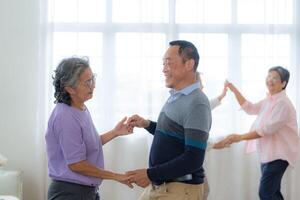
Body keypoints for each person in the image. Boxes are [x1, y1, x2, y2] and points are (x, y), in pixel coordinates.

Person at [127, 40, 212, 200]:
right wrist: (147, 124)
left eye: (168, 63)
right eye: (163, 64)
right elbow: (176, 133)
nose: (163, 69)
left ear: (189, 64)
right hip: (162, 186)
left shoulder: (197, 103)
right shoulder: (177, 97)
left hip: (180, 189)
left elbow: (193, 158)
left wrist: (150, 174)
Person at [45, 57, 133, 200]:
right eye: (87, 82)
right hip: (69, 193)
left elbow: (86, 146)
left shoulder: (80, 108)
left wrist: (115, 132)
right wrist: (116, 176)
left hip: (86, 191)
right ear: (69, 88)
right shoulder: (65, 116)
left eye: (93, 79)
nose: (93, 86)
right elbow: (76, 164)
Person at [218, 66, 299, 200]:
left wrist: (240, 137)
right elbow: (250, 108)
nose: (270, 80)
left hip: (279, 155)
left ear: (283, 83)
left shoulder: (282, 104)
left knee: (265, 193)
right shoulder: (270, 100)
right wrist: (233, 89)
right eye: (269, 77)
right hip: (268, 154)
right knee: (273, 192)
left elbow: (266, 130)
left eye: (275, 78)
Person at [195, 71, 228, 200]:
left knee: (204, 190)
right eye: (200, 84)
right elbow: (193, 138)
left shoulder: (198, 104)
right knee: (203, 190)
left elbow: (208, 105)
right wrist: (215, 145)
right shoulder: (192, 106)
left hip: (192, 163)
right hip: (187, 163)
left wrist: (222, 95)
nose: (203, 87)